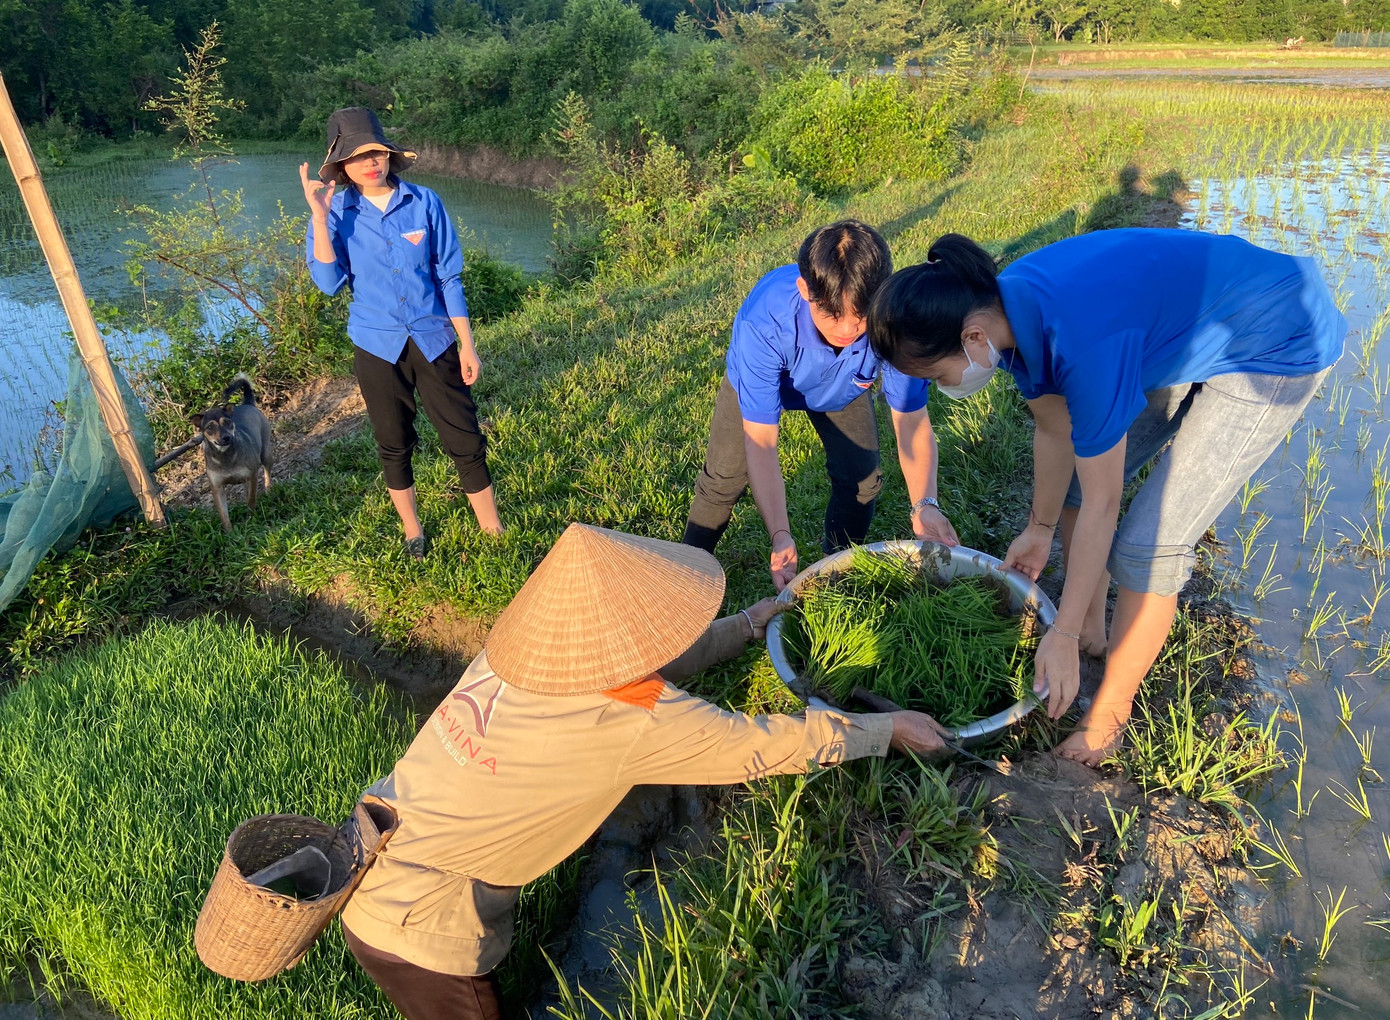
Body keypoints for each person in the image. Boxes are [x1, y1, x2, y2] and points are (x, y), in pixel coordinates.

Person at [338, 522, 949, 1019]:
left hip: (369, 855)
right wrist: (886, 731)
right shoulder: (634, 722)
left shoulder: (515, 651)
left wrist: (744, 627)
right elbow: (755, 745)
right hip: (419, 932)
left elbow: (648, 662)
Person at [867, 228, 1346, 766]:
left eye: (936, 373)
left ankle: (1107, 721)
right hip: (1175, 331)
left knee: (1147, 547)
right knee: (1074, 481)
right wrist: (1040, 528)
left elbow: (1102, 503)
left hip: (1276, 338)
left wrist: (1060, 631)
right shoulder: (1011, 311)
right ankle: (1093, 629)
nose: (943, 385)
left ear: (974, 337)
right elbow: (1054, 430)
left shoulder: (1080, 341)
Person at [681, 220, 958, 592]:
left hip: (841, 388)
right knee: (722, 481)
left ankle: (838, 569)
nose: (846, 330)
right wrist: (780, 533)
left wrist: (925, 504)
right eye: (830, 314)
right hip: (768, 380)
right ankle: (682, 576)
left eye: (860, 317)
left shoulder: (895, 321)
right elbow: (761, 442)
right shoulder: (763, 322)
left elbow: (910, 420)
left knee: (862, 480)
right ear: (804, 289)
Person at [299, 106, 502, 559]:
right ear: (343, 167)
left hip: (434, 340)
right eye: (358, 157)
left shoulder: (425, 202)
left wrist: (467, 345)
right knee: (394, 442)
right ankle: (413, 531)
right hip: (376, 345)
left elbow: (448, 278)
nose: (370, 163)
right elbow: (329, 283)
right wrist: (317, 215)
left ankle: (492, 530)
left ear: (389, 156)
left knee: (464, 436)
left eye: (377, 153)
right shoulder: (333, 214)